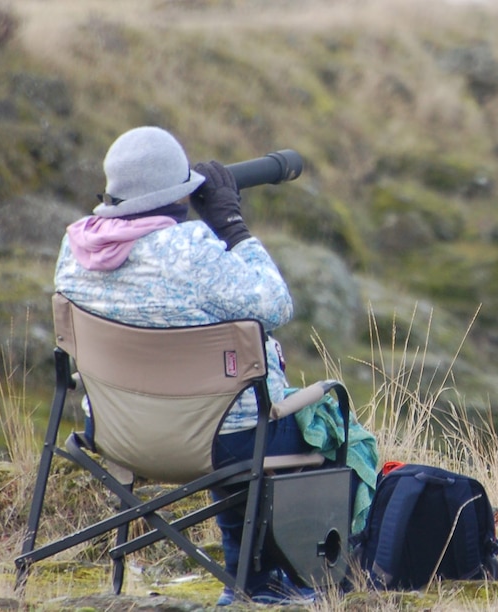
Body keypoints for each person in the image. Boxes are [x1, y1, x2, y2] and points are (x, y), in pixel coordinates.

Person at [54, 126, 376, 605]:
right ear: (179, 197)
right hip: (220, 444)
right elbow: (274, 304)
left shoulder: (76, 252)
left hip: (118, 435)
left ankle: (248, 579)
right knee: (331, 430)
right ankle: (287, 582)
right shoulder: (193, 251)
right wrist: (230, 222)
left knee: (224, 413)